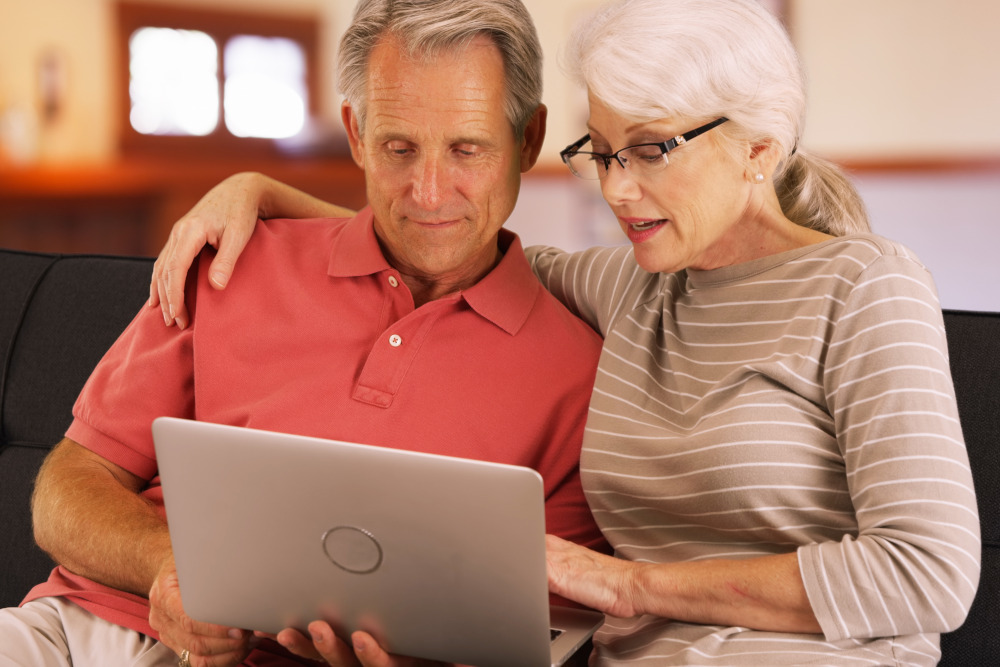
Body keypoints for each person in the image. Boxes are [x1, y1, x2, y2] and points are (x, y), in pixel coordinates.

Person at [148, 0, 982, 665]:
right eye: (605, 151)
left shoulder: (866, 286)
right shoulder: (629, 284)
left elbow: (928, 574)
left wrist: (633, 585)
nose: (618, 191)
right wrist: (260, 188)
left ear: (758, 149)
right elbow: (443, 226)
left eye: (652, 151)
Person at [0, 1, 610, 666]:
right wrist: (171, 568)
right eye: (398, 148)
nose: (429, 192)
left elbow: (534, 631)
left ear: (527, 140)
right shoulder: (233, 257)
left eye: (467, 149)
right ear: (355, 132)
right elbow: (66, 489)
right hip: (85, 627)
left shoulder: (578, 379)